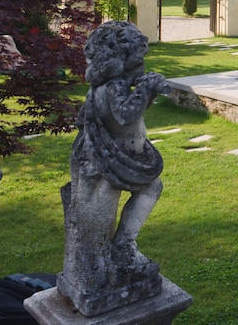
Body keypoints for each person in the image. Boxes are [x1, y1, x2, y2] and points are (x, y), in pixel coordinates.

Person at [59, 21, 171, 316]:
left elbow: (83, 120)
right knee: (105, 217)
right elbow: (125, 115)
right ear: (126, 58)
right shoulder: (115, 86)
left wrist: (146, 94)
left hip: (113, 159)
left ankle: (119, 247)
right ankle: (119, 248)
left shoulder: (102, 87)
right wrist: (147, 87)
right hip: (110, 165)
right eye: (139, 56)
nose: (142, 62)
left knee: (151, 188)